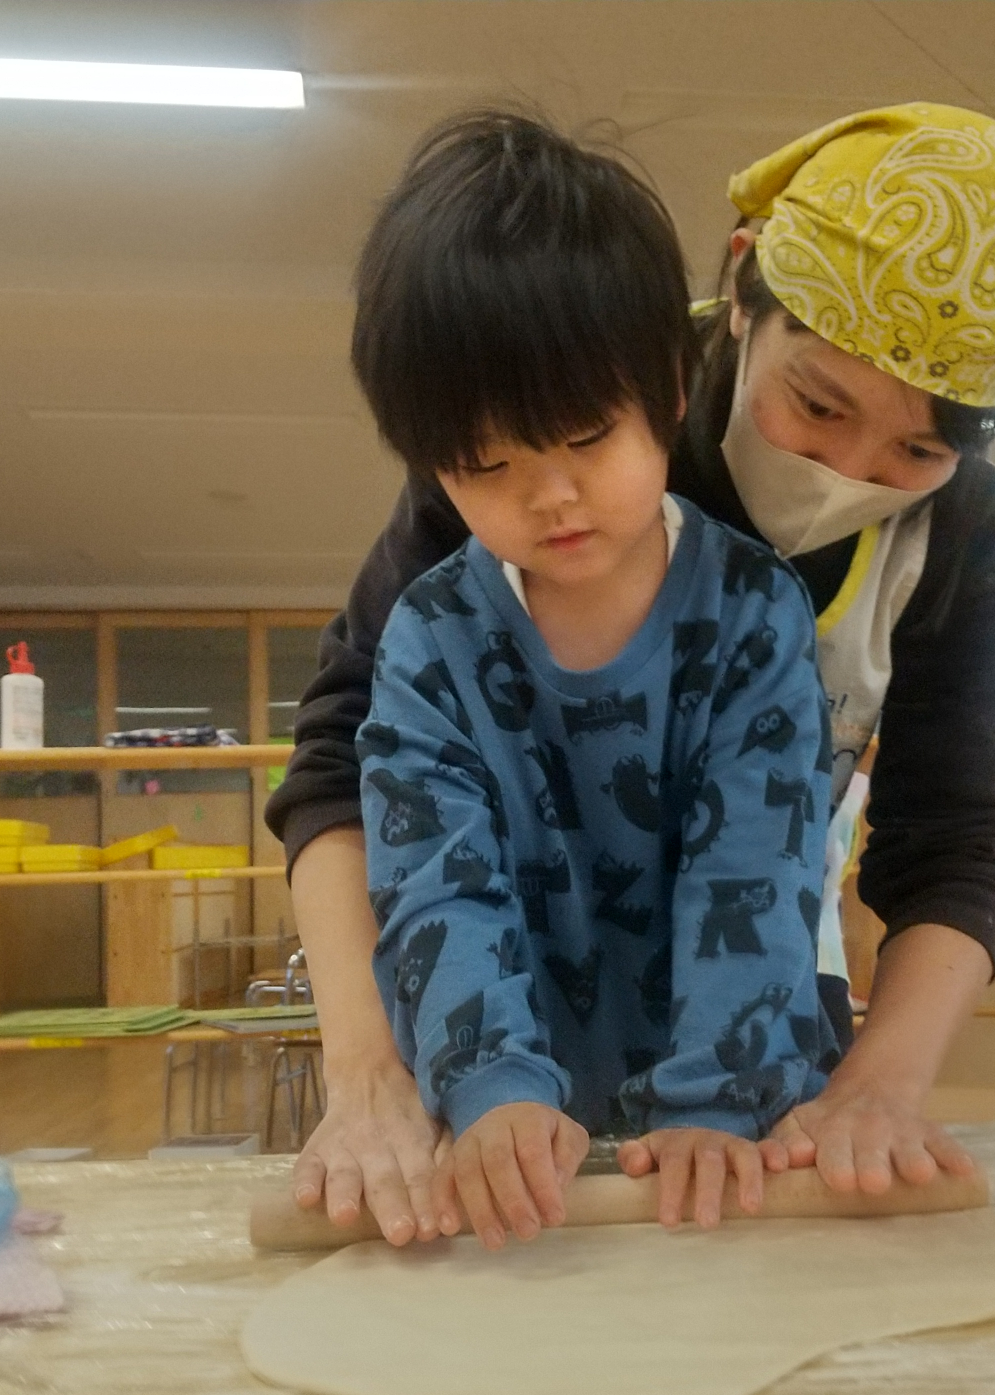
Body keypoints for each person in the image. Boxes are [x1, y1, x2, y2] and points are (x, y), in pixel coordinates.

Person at [268, 103, 995, 1247]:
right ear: (735, 303)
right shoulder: (536, 412)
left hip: (740, 1049)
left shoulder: (804, 593)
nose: (847, 471)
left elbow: (894, 845)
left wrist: (867, 1085)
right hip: (494, 1055)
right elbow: (369, 796)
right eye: (815, 405)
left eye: (916, 448)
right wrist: (391, 1076)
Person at [345, 111, 840, 1247]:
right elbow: (434, 883)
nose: (550, 496)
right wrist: (487, 1087)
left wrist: (718, 1094)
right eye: (487, 465)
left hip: (744, 1128)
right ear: (432, 466)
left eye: (584, 439)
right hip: (516, 1144)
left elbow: (753, 872)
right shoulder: (429, 642)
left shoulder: (753, 614)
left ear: (668, 386)